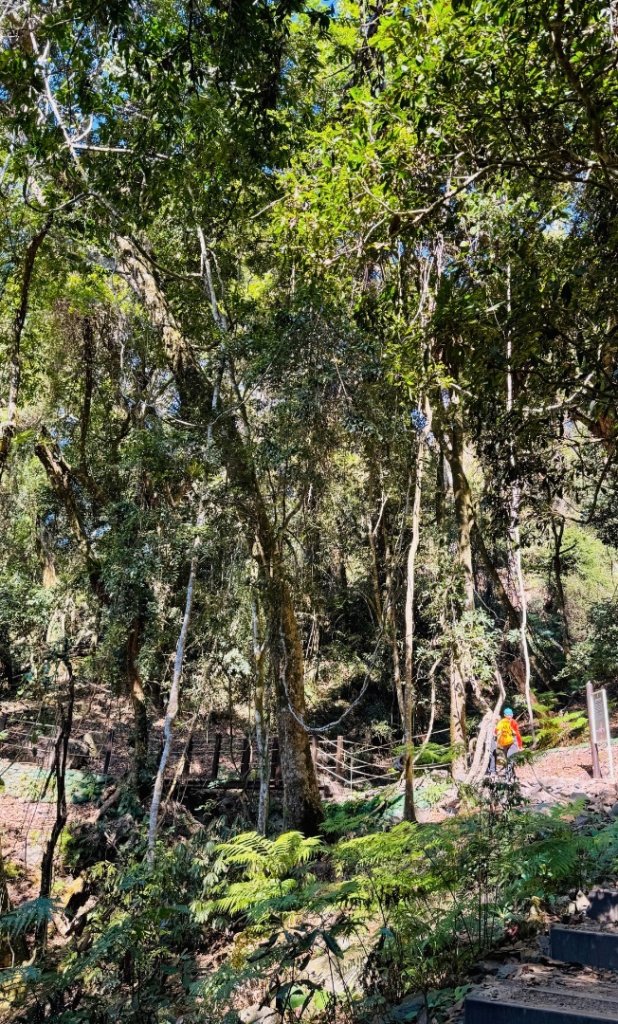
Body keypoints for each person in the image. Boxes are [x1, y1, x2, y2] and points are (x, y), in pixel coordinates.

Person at [487, 707, 523, 777]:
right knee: (510, 759)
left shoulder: (501, 722)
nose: (510, 715)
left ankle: (510, 774)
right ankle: (509, 775)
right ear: (512, 714)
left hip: (504, 744)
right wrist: (520, 746)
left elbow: (495, 731)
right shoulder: (513, 722)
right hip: (512, 743)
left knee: (508, 759)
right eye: (510, 714)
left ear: (504, 715)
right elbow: (517, 734)